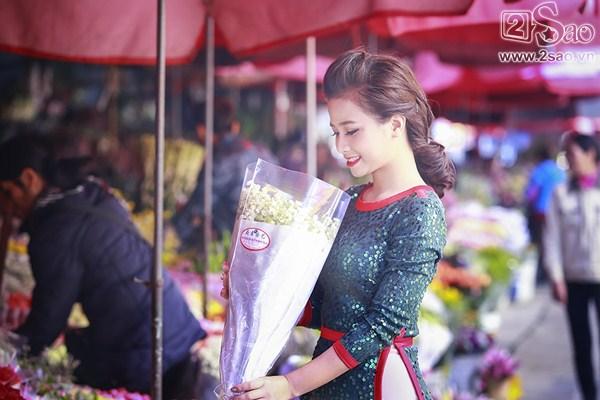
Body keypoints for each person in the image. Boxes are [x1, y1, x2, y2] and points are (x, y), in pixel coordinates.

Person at [222, 49, 454, 400]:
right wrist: (252, 286)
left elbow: (382, 325)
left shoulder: (420, 210)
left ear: (395, 125)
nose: (340, 146)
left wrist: (292, 384)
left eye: (352, 131)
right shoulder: (351, 198)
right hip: (324, 385)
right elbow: (326, 307)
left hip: (379, 387)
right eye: (335, 132)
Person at [0, 134, 206, 398]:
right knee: (77, 342)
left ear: (29, 178)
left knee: (77, 357)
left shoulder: (57, 227)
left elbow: (48, 318)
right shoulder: (86, 192)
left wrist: (9, 352)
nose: (4, 205)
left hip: (147, 351)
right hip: (174, 326)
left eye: (6, 193)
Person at [172, 98, 276, 250]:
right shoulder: (263, 151)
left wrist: (172, 233)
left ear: (201, 130)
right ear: (234, 126)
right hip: (268, 238)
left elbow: (200, 205)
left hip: (238, 241)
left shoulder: (221, 161)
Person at [543, 132, 600, 400]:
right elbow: (551, 238)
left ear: (591, 155)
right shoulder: (560, 193)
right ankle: (589, 394)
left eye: (573, 155)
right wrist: (556, 277)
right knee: (581, 345)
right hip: (574, 279)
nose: (569, 161)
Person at [524, 143, 566, 283]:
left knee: (540, 243)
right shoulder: (559, 171)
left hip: (540, 213)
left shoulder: (540, 170)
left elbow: (531, 193)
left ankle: (540, 273)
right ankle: (552, 273)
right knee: (554, 242)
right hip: (558, 213)